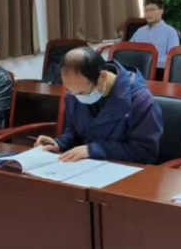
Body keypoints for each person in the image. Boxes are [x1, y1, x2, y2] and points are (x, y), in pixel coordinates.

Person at [35, 47, 163, 164]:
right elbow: (74, 129)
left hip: (124, 172)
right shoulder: (74, 93)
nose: (76, 97)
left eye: (82, 92)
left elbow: (144, 153)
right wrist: (60, 143)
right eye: (70, 91)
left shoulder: (141, 101)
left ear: (102, 76)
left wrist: (93, 150)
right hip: (86, 167)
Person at [130, 0, 180, 68]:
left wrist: (149, 61)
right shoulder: (140, 31)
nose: (148, 13)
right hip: (138, 69)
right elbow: (128, 50)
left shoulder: (170, 32)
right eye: (146, 10)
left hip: (160, 71)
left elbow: (173, 57)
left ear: (161, 11)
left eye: (152, 10)